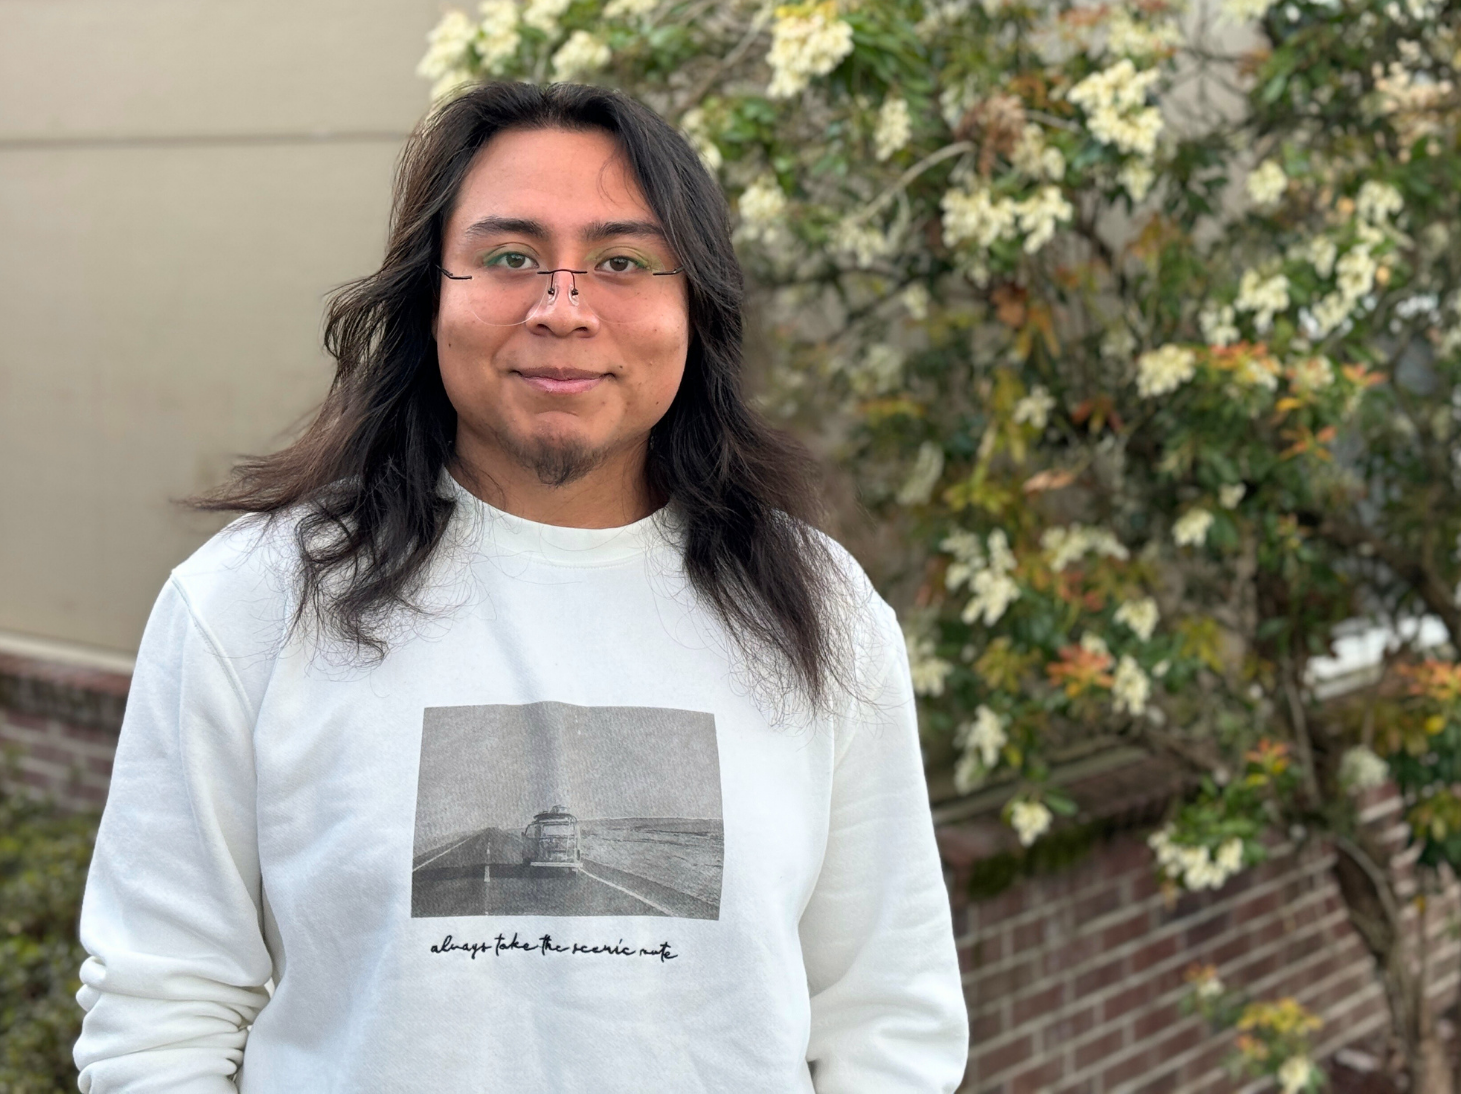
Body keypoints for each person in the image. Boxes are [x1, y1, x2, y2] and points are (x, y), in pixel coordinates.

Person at [71, 81, 967, 1093]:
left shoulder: (819, 608)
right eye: (510, 258)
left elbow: (887, 1021)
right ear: (431, 297)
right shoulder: (253, 604)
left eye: (623, 262)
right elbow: (158, 1017)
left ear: (694, 309)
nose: (563, 309)